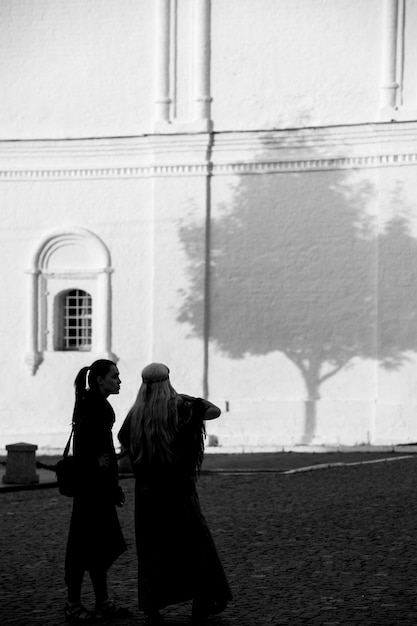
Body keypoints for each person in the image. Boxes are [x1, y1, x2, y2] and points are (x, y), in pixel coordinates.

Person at [118, 362, 232, 626]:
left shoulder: (136, 414)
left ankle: (152, 607)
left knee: (153, 550)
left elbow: (124, 439)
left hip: (148, 494)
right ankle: (202, 601)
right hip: (179, 490)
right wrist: (191, 399)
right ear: (168, 381)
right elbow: (213, 411)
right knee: (193, 545)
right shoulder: (183, 408)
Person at [64, 359, 131, 623]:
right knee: (83, 548)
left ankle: (102, 602)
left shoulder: (95, 404)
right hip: (90, 491)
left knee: (98, 547)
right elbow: (87, 447)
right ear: (100, 379)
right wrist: (97, 464)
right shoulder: (93, 406)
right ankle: (73, 603)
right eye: (114, 376)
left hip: (98, 489)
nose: (119, 381)